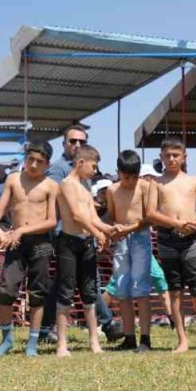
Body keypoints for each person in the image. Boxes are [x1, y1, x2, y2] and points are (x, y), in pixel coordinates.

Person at [0, 140, 59, 358]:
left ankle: (32, 343)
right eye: (30, 159)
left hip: (41, 242)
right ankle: (7, 339)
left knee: (37, 294)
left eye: (39, 161)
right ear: (25, 158)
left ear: (47, 164)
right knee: (6, 291)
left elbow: (52, 221)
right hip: (15, 242)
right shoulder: (13, 179)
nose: (33, 165)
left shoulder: (51, 185)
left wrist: (21, 230)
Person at [41, 123, 120, 344]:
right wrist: (98, 231)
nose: (77, 144)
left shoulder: (85, 178)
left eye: (82, 141)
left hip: (84, 237)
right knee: (70, 286)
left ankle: (48, 328)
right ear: (64, 143)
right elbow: (70, 210)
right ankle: (106, 324)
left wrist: (107, 229)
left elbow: (89, 213)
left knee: (79, 285)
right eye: (73, 140)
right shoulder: (59, 171)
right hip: (64, 234)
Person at [147, 137, 196, 352]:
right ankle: (182, 340)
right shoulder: (156, 183)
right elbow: (150, 213)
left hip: (191, 240)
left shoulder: (194, 181)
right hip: (167, 239)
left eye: (175, 155)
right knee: (175, 291)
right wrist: (176, 223)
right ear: (161, 157)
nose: (171, 159)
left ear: (184, 157)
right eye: (167, 155)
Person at [54, 145, 110, 357]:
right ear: (80, 163)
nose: (95, 171)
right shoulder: (66, 184)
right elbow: (77, 215)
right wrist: (98, 233)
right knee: (65, 293)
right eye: (93, 166)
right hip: (68, 242)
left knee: (90, 293)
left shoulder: (86, 188)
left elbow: (93, 218)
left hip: (87, 244)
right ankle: (62, 344)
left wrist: (109, 230)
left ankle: (94, 341)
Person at [106, 150, 158, 352]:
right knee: (121, 288)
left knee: (140, 288)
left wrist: (128, 229)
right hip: (120, 239)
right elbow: (111, 215)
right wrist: (106, 229)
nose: (129, 181)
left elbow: (149, 218)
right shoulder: (112, 190)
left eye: (134, 177)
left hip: (140, 237)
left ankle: (145, 339)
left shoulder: (146, 187)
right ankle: (129, 338)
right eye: (126, 177)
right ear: (118, 172)